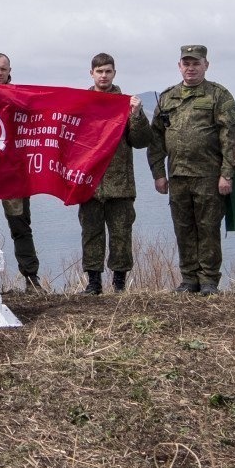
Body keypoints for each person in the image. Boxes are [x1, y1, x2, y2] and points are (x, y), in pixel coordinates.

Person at [148, 45, 235, 296]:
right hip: (178, 176)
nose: (190, 68)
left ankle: (209, 280)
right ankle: (189, 278)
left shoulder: (218, 95)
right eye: (186, 63)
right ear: (179, 66)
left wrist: (227, 172)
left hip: (209, 176)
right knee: (184, 228)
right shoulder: (167, 97)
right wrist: (159, 173)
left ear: (206, 65)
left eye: (196, 63)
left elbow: (231, 135)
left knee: (208, 228)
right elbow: (156, 138)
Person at [78, 53, 151, 294]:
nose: (103, 75)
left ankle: (119, 284)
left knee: (121, 236)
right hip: (89, 183)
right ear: (91, 73)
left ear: (114, 73)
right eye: (99, 71)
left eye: (108, 71)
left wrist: (137, 115)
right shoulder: (81, 104)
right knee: (91, 235)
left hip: (120, 184)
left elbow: (140, 141)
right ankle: (94, 283)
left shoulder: (126, 104)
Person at [0, 53, 42, 292]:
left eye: (3, 69)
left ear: (10, 70)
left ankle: (32, 280)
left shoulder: (20, 96)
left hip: (14, 176)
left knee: (21, 229)